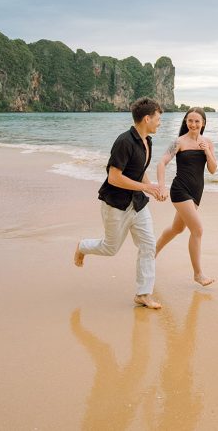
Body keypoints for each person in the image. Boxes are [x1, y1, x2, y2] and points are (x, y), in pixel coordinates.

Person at [75, 97, 167, 309]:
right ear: (147, 118)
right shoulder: (124, 142)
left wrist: (152, 189)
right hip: (116, 204)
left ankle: (143, 294)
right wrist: (146, 188)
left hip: (138, 204)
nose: (160, 123)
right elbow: (113, 178)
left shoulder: (147, 141)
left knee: (148, 245)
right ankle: (82, 246)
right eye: (158, 119)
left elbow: (140, 172)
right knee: (110, 248)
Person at [155, 107, 218, 286]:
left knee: (177, 228)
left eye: (197, 121)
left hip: (196, 192)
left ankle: (152, 253)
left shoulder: (208, 142)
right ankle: (198, 274)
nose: (193, 124)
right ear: (185, 122)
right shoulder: (178, 142)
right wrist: (161, 186)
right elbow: (161, 163)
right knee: (197, 230)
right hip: (180, 190)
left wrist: (207, 151)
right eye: (190, 120)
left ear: (203, 123)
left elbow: (213, 170)